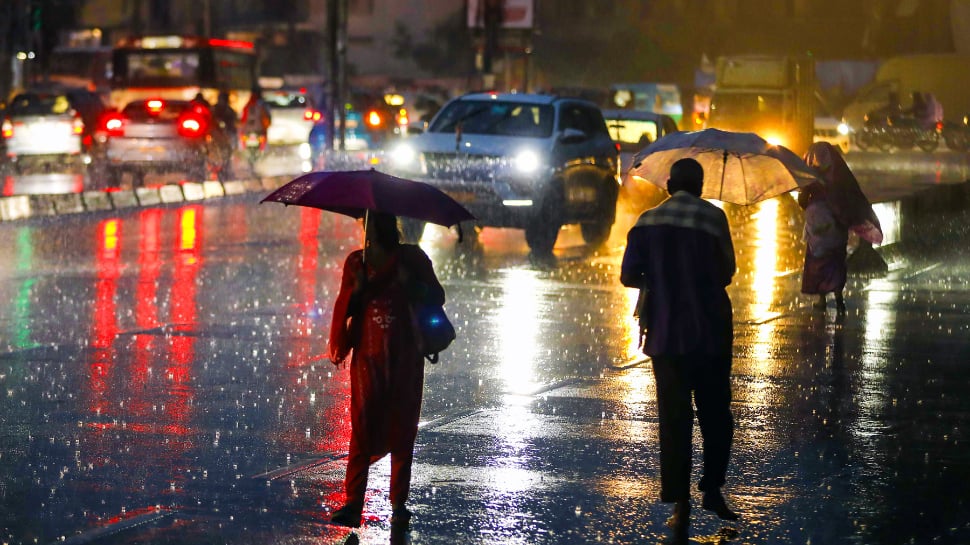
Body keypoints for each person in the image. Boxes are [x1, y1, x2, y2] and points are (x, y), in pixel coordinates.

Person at [620, 158, 739, 541]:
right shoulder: (713, 219)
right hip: (709, 331)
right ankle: (713, 487)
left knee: (674, 419)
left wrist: (658, 277)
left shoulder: (647, 220)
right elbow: (726, 273)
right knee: (716, 412)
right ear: (701, 186)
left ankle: (680, 501)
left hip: (666, 333)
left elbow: (628, 274)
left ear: (669, 184)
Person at [328, 211, 446, 530]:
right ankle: (354, 502)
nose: (368, 231)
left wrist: (412, 286)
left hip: (406, 357)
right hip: (368, 357)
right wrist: (359, 289)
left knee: (402, 426)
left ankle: (398, 503)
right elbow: (346, 307)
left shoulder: (413, 260)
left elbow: (437, 296)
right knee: (363, 424)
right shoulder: (357, 263)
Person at [798, 182, 849, 314]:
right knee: (836, 262)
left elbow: (802, 199)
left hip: (818, 218)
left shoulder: (810, 174)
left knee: (819, 263)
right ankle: (839, 299)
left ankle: (822, 299)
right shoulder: (836, 174)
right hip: (836, 220)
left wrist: (809, 207)